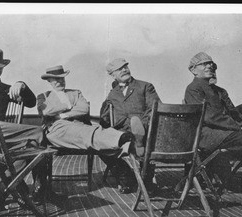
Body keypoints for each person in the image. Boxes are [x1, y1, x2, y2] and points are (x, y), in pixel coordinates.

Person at [184, 52, 242, 207]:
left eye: (211, 64)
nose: (209, 66)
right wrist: (239, 128)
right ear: (194, 70)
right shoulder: (194, 89)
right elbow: (209, 116)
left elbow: (234, 113)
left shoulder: (220, 91)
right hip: (207, 136)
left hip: (225, 134)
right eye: (204, 64)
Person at [0, 47, 45, 217]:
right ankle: (39, 186)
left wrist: (21, 84)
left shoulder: (6, 89)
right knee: (38, 133)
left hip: (1, 137)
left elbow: (30, 102)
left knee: (31, 145)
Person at [36, 65, 136, 171]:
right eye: (56, 79)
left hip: (80, 126)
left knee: (92, 132)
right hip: (57, 129)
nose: (60, 81)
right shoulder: (43, 96)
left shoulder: (75, 93)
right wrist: (68, 106)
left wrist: (61, 115)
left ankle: (126, 175)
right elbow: (45, 111)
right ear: (49, 81)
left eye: (62, 78)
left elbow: (84, 109)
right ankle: (124, 141)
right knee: (88, 133)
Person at [100, 58, 161, 195]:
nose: (124, 70)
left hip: (144, 129)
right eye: (119, 69)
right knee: (100, 145)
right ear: (112, 75)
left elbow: (154, 109)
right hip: (122, 130)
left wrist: (143, 126)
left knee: (146, 141)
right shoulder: (112, 93)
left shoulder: (145, 86)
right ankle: (126, 177)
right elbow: (105, 117)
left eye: (125, 66)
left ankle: (146, 181)